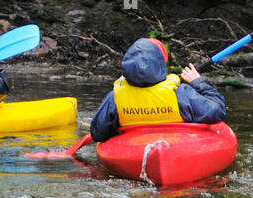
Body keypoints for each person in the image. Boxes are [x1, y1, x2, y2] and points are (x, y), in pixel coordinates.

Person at [89, 36, 226, 142]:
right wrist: (198, 82)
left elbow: (98, 133)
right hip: (175, 147)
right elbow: (218, 111)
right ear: (160, 64)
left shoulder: (115, 97)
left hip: (135, 149)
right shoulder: (180, 92)